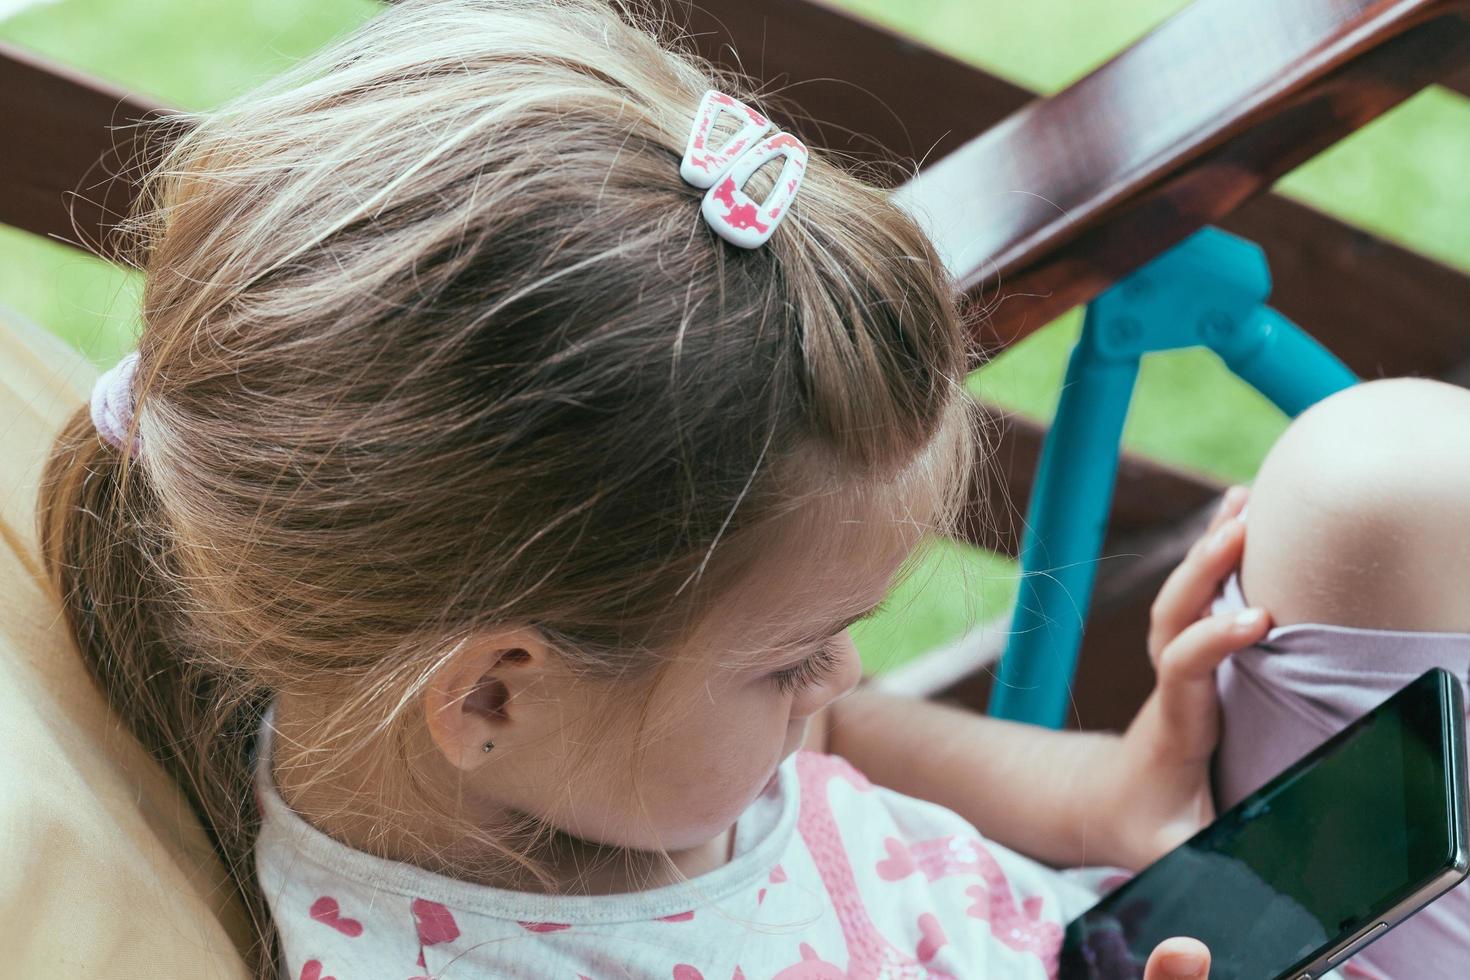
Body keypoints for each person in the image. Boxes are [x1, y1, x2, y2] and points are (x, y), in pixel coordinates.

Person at [37, 0, 1283, 976]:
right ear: (488, 691)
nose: (839, 679)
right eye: (797, 656)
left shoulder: (591, 747)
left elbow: (836, 732)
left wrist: (1104, 796)